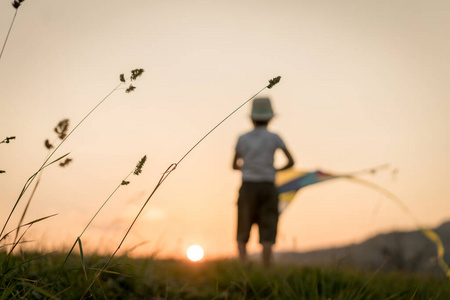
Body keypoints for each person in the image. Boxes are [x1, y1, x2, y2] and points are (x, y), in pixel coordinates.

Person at [232, 97, 294, 268]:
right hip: (268, 186)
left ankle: (242, 269)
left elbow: (233, 165)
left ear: (251, 118)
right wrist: (275, 170)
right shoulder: (275, 138)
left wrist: (248, 167)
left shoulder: (242, 138)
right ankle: (266, 269)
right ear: (270, 118)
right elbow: (291, 162)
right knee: (268, 228)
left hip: (248, 186)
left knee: (243, 228)